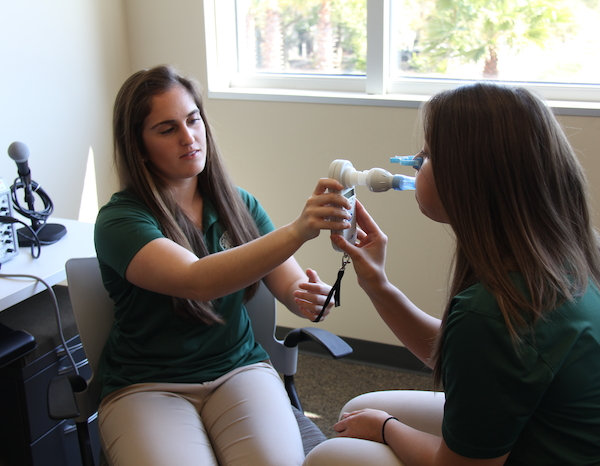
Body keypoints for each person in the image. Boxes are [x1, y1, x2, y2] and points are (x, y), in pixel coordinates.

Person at [304, 83, 600, 465]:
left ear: (469, 177)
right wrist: (376, 284)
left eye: (426, 155)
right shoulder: (569, 251)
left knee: (332, 455)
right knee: (359, 407)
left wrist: (386, 428)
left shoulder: (489, 312)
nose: (414, 161)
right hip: (553, 428)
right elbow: (468, 357)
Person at [94, 65, 352, 466]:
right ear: (137, 145)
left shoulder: (239, 204)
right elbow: (196, 280)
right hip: (146, 385)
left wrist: (312, 299)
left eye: (193, 119)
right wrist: (299, 229)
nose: (188, 137)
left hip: (238, 369)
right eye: (166, 129)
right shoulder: (120, 221)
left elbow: (290, 286)